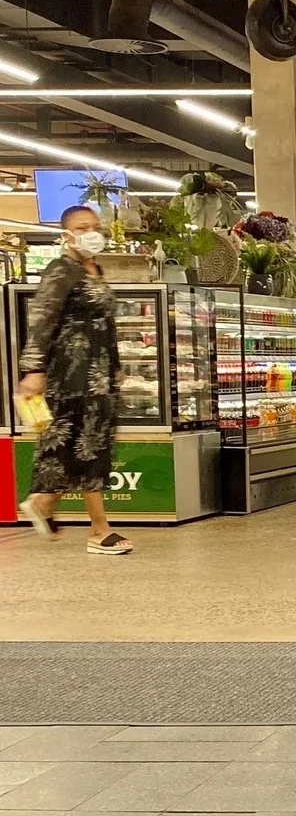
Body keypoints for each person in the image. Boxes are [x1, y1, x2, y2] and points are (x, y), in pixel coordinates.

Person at [16, 205, 132, 554]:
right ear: (66, 234)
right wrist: (33, 369)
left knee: (90, 444)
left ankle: (45, 503)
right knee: (80, 444)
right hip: (71, 372)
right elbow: (42, 320)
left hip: (98, 375)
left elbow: (106, 324)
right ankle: (98, 529)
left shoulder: (95, 270)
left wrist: (115, 365)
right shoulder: (61, 270)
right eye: (82, 227)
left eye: (95, 226)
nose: (91, 233)